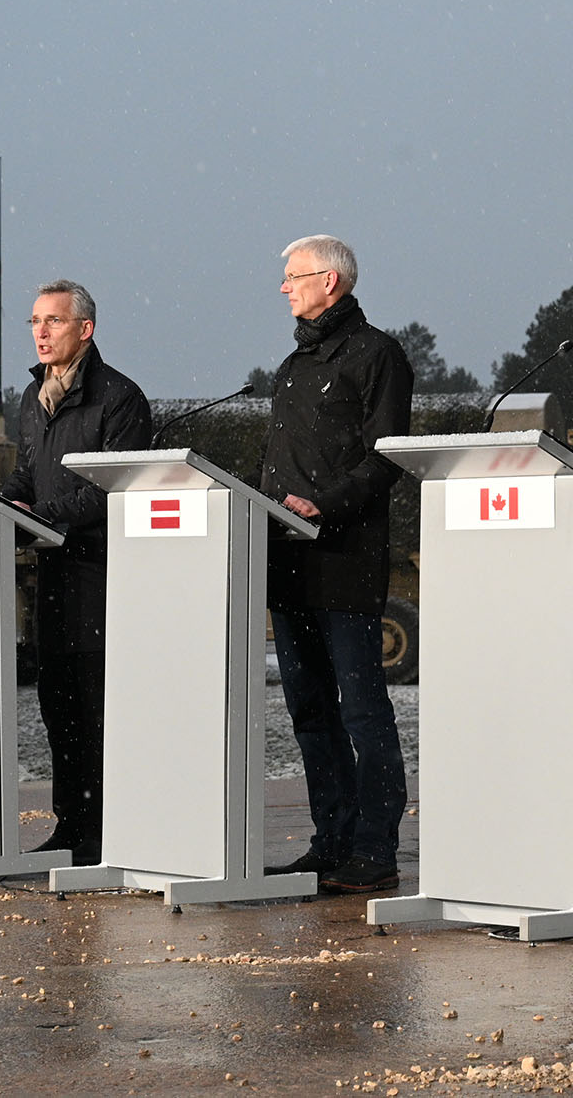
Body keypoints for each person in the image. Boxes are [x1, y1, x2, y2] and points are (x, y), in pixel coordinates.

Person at [259, 235, 413, 895]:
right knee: (309, 711)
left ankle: (375, 847)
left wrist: (322, 504)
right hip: (286, 561)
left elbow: (385, 459)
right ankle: (332, 840)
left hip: (344, 560)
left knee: (361, 712)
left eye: (294, 276)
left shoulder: (377, 355)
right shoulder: (294, 364)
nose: (285, 287)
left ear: (333, 282)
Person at [0, 279, 153, 867]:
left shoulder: (119, 398)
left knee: (97, 708)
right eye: (35, 321)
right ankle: (71, 825)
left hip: (104, 578)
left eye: (53, 321)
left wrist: (42, 515)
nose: (40, 332)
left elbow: (115, 490)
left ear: (84, 329)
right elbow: (26, 475)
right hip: (52, 578)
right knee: (57, 703)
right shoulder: (31, 398)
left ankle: (108, 829)